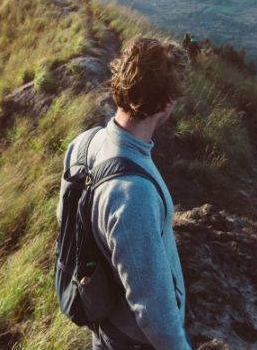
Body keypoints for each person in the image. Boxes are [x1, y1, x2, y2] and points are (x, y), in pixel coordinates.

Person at [57, 37, 191, 350]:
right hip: (133, 338)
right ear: (167, 103)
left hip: (104, 316)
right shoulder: (134, 195)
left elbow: (67, 223)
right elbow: (151, 309)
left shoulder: (84, 144)